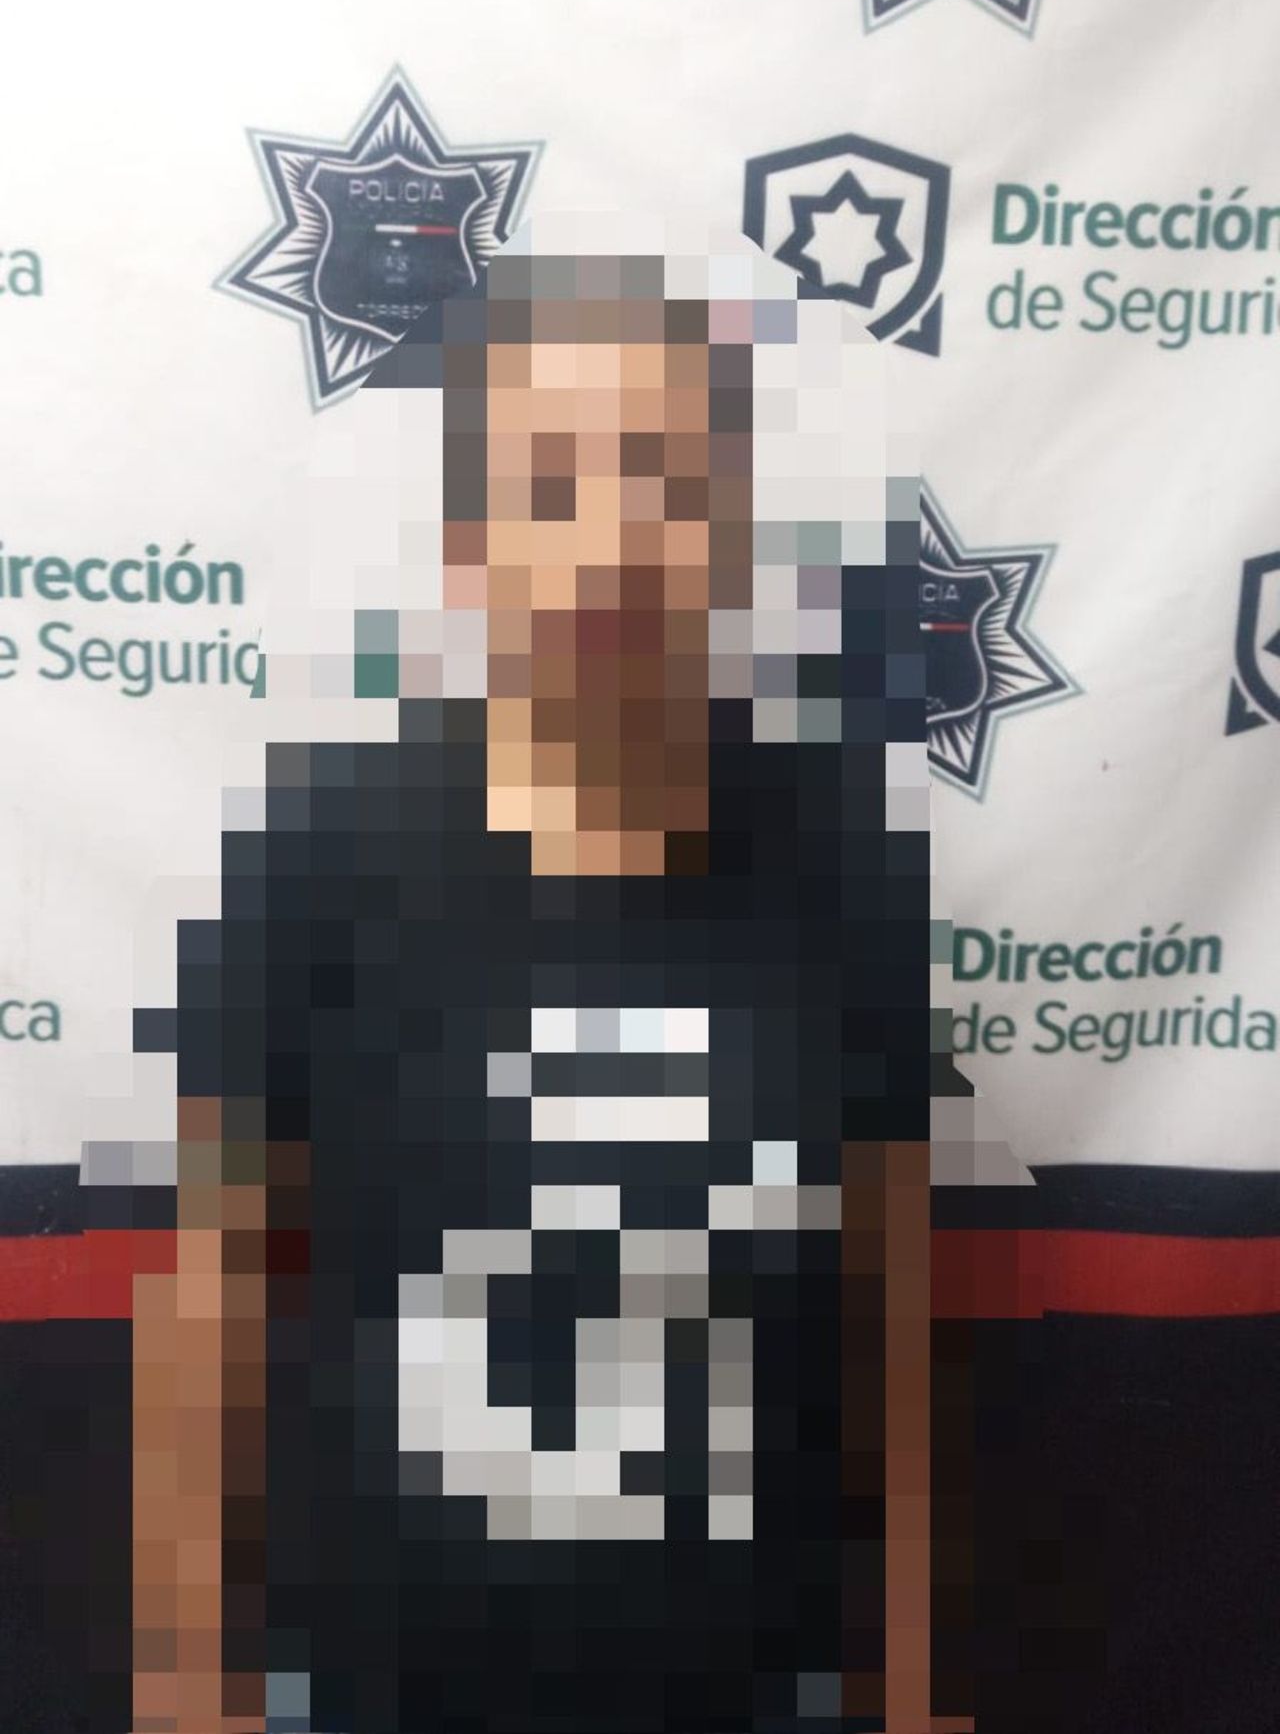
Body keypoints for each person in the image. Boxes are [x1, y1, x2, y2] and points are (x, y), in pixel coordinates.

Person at [130, 247, 931, 1734]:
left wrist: (909, 1668)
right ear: (470, 540)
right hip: (382, 1676)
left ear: (735, 527)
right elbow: (210, 1299)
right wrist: (188, 1677)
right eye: (554, 486)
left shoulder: (842, 858)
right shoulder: (314, 858)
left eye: (668, 483)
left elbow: (883, 1303)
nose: (616, 539)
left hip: (755, 1679)